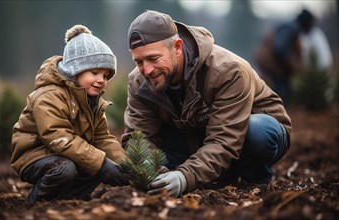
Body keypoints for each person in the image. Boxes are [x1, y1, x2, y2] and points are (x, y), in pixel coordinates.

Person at [122, 10, 292, 197]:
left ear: (177, 47)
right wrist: (146, 166)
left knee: (257, 131)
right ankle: (216, 173)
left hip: (247, 134)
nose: (146, 70)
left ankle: (255, 179)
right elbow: (139, 136)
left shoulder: (228, 70)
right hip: (194, 137)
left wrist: (185, 177)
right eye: (138, 61)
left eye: (154, 59)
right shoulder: (138, 82)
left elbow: (224, 139)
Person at [11, 24, 128, 204]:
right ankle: (36, 203)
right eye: (95, 72)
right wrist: (102, 164)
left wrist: (125, 165)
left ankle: (69, 200)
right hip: (34, 154)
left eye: (105, 76)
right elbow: (57, 136)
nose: (101, 80)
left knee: (95, 164)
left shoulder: (92, 102)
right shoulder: (49, 95)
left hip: (65, 153)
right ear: (75, 70)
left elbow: (102, 138)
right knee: (68, 168)